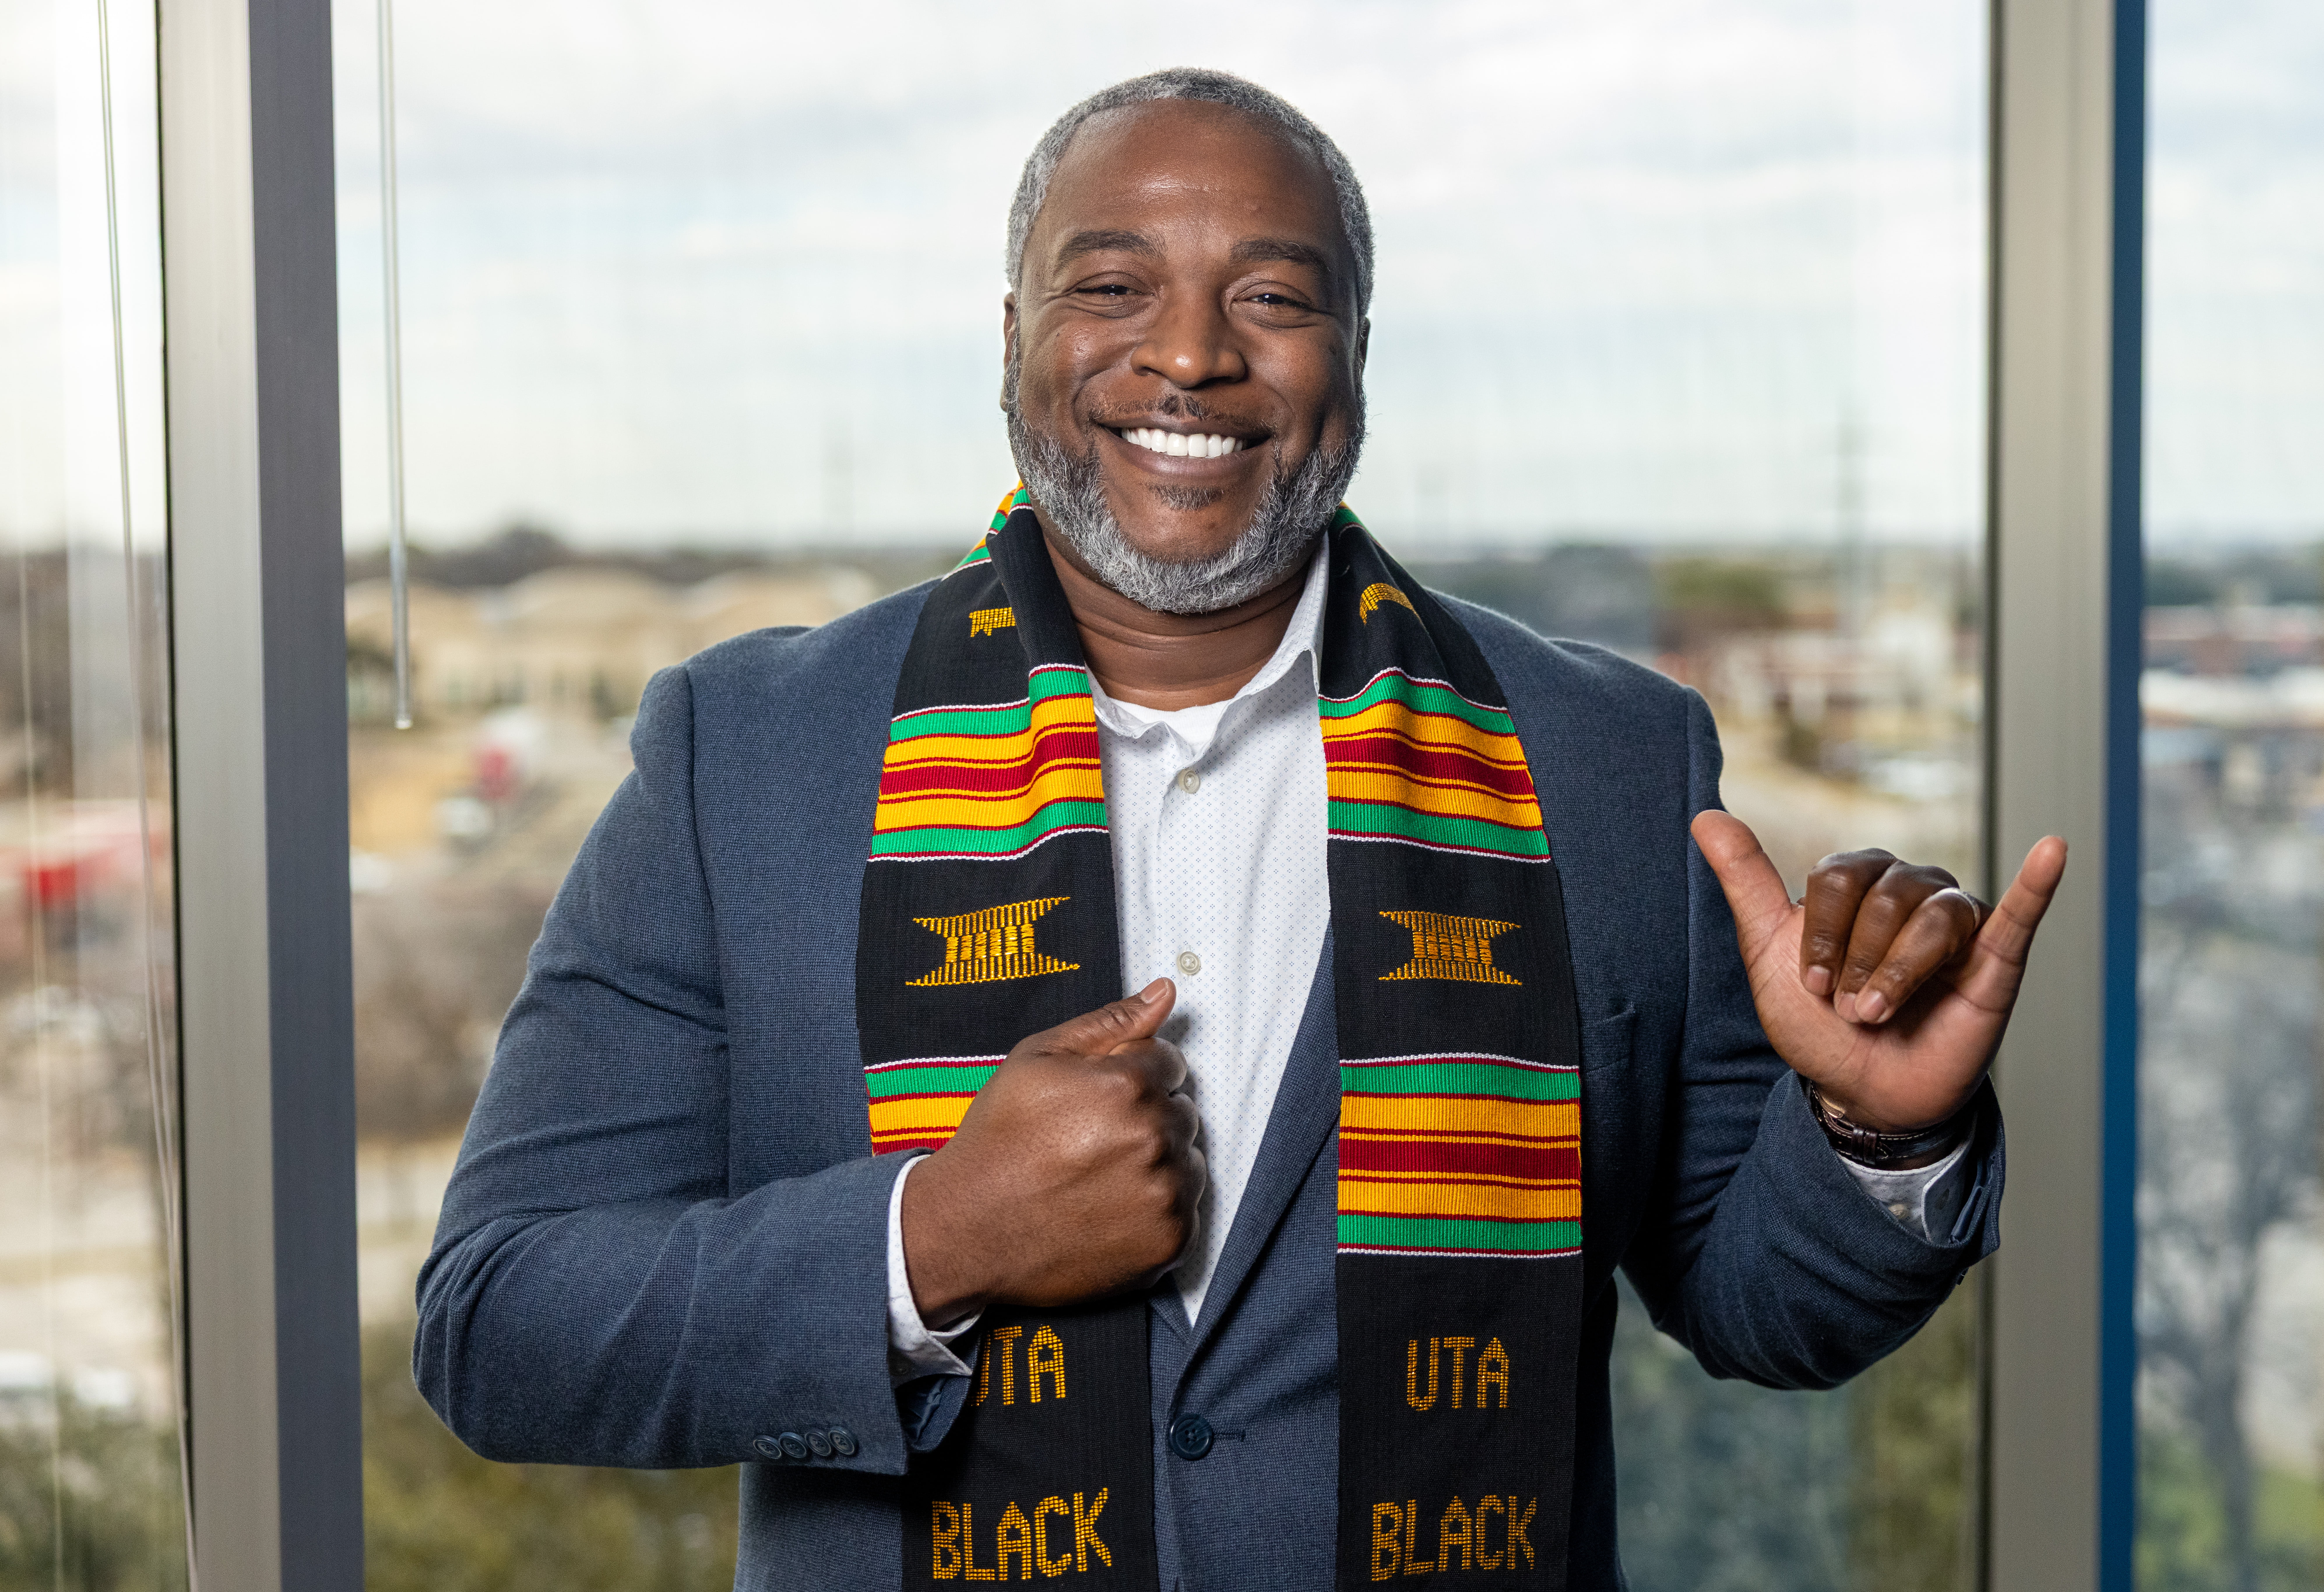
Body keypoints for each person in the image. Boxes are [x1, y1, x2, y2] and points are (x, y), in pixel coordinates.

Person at [415, 67, 2066, 1591]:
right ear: (1013, 334)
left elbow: (1767, 1306)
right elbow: (501, 1321)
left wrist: (1876, 1136)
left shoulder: (1608, 767)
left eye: (1273, 297)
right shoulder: (747, 758)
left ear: (1356, 354)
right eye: (1111, 287)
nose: (1192, 355)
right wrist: (935, 1240)